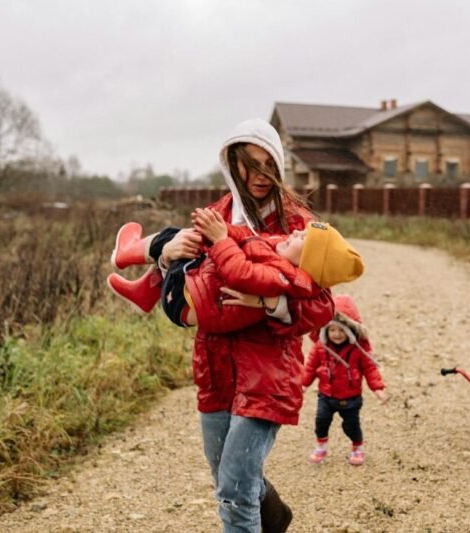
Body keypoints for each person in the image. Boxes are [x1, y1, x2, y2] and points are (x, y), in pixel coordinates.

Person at [134, 118, 337, 533]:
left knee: (235, 489)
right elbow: (192, 283)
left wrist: (269, 303)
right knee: (228, 479)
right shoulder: (214, 216)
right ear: (232, 164)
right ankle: (275, 519)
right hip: (215, 368)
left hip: (268, 373)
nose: (260, 175)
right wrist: (168, 253)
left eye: (269, 165)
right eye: (250, 165)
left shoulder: (299, 226)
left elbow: (323, 307)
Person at [107, 209, 363, 332]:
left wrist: (220, 239)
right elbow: (249, 237)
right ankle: (144, 293)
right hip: (188, 294)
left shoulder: (283, 278)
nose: (295, 232)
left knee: (176, 236)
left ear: (308, 261)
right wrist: (219, 228)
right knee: (189, 240)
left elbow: (240, 273)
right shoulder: (279, 253)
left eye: (303, 238)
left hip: (183, 302)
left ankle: (127, 253)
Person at [301, 294, 387, 466]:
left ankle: (357, 447)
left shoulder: (358, 349)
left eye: (341, 330)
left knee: (351, 425)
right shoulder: (320, 347)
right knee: (321, 421)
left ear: (350, 331)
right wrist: (303, 384)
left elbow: (370, 368)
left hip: (351, 397)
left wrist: (377, 388)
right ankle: (321, 447)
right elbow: (310, 367)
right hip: (326, 395)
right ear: (325, 330)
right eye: (332, 330)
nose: (337, 334)